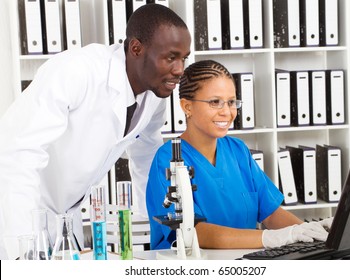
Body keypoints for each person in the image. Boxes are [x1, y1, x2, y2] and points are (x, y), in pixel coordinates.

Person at [0, 4, 191, 259]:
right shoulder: (77, 70)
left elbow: (146, 155)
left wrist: (162, 229)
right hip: (19, 215)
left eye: (184, 58)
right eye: (171, 57)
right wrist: (20, 252)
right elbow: (17, 152)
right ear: (136, 48)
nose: (180, 70)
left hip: (67, 218)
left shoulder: (154, 95)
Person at [146, 60, 332, 250]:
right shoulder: (168, 160)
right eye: (215, 102)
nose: (227, 112)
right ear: (187, 107)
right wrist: (272, 238)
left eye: (231, 102)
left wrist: (311, 232)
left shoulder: (238, 150)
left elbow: (270, 212)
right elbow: (193, 232)